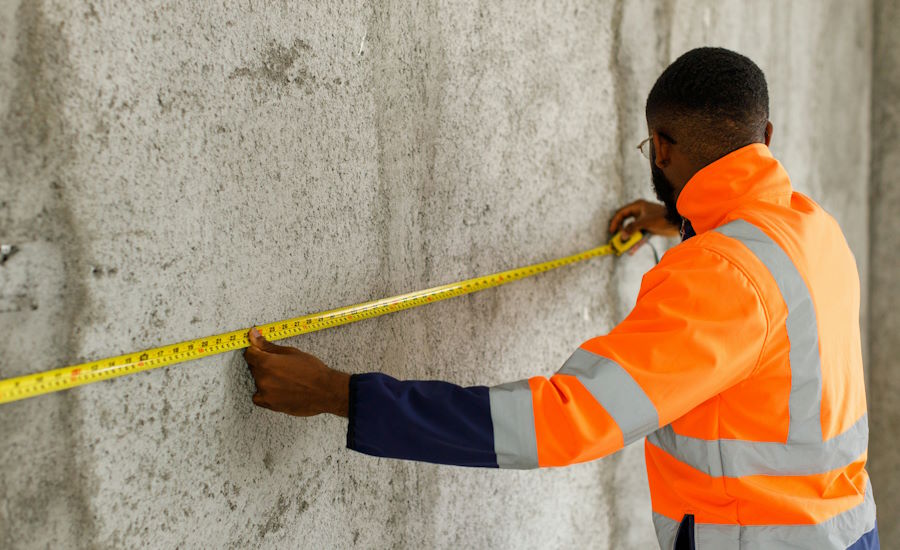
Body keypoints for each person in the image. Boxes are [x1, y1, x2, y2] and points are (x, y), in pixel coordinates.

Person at [243, 47, 878, 549]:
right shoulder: (812, 228)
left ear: (659, 147)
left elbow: (564, 422)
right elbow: (757, 286)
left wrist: (337, 394)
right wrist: (676, 219)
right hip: (844, 532)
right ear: (764, 132)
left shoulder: (718, 276)